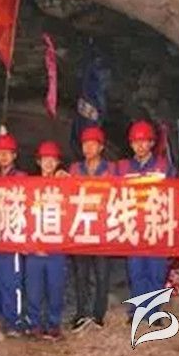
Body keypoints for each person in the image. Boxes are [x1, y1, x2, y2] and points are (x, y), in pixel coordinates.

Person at [117, 120, 176, 323]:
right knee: (136, 271)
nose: (140, 146)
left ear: (151, 143)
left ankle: (154, 311)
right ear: (131, 144)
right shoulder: (123, 168)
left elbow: (177, 194)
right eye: (136, 142)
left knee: (156, 271)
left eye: (144, 141)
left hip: (157, 226)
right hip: (133, 226)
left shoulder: (163, 166)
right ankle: (137, 310)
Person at [68, 126, 117, 331]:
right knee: (81, 274)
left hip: (102, 230)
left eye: (92, 144)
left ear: (101, 147)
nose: (88, 148)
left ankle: (98, 314)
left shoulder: (111, 169)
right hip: (81, 229)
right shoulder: (75, 169)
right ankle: (81, 313)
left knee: (101, 274)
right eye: (85, 144)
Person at [25, 140, 68, 340]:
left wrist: (70, 180)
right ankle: (34, 324)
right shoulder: (30, 186)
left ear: (57, 162)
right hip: (34, 247)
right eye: (45, 159)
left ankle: (53, 324)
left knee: (55, 289)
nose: (49, 163)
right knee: (33, 290)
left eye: (52, 159)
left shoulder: (65, 185)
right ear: (38, 162)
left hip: (56, 247)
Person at [0, 133, 26, 336]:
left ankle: (12, 321)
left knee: (11, 281)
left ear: (14, 155)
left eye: (7, 153)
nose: (3, 157)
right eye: (0, 153)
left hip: (12, 237)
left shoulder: (22, 178)